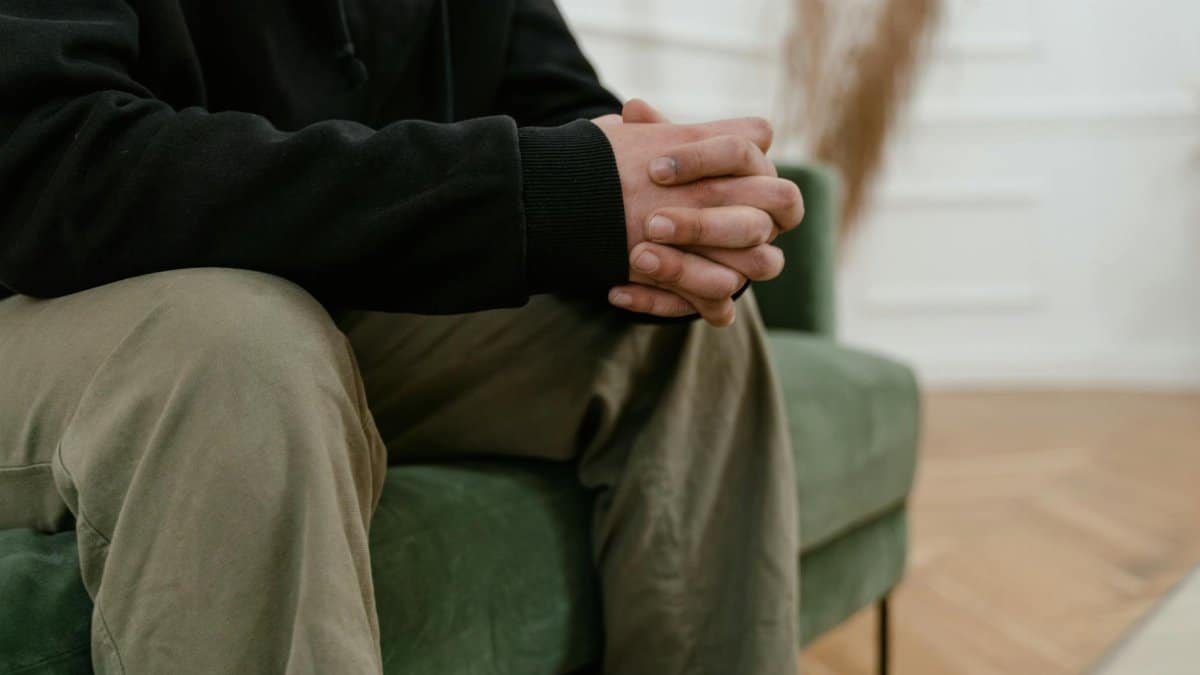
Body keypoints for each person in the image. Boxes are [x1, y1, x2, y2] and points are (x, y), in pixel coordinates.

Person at [0, 1, 804, 673]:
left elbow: (552, 99)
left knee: (674, 320)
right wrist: (531, 190)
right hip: (45, 308)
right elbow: (47, 162)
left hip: (314, 295)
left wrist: (674, 214)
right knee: (238, 357)